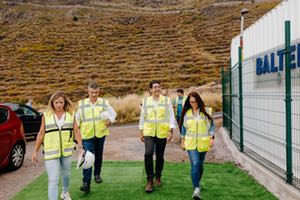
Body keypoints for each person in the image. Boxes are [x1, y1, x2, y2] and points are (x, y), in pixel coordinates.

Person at [31, 91, 83, 200]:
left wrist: (80, 145)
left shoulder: (71, 114)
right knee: (53, 179)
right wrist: (35, 151)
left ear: (64, 103)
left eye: (61, 102)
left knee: (66, 175)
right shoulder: (46, 116)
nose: (59, 105)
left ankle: (65, 192)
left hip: (67, 151)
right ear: (52, 103)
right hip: (51, 152)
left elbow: (77, 131)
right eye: (56, 102)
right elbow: (41, 134)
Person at [75, 82, 116, 193]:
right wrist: (76, 135)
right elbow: (76, 121)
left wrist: (110, 121)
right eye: (92, 92)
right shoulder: (81, 104)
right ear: (88, 92)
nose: (94, 95)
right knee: (88, 158)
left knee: (98, 156)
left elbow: (113, 114)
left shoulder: (104, 102)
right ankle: (86, 183)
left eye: (96, 92)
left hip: (100, 134)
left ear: (99, 91)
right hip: (86, 135)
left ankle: (97, 174)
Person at [139, 80, 177, 193]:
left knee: (160, 156)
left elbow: (171, 115)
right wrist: (141, 131)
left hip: (161, 132)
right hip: (149, 132)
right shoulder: (145, 101)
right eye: (155, 87)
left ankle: (158, 176)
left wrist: (171, 130)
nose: (157, 89)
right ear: (150, 89)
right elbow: (142, 117)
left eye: (158, 87)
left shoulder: (166, 100)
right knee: (148, 153)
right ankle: (150, 180)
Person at [179, 91, 215, 200]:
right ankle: (196, 189)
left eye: (195, 102)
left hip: (203, 143)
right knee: (195, 164)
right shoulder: (187, 113)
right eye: (191, 102)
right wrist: (182, 140)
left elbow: (211, 125)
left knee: (200, 165)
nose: (193, 104)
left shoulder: (207, 111)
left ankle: (197, 182)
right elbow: (183, 128)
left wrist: (212, 138)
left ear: (198, 100)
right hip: (191, 144)